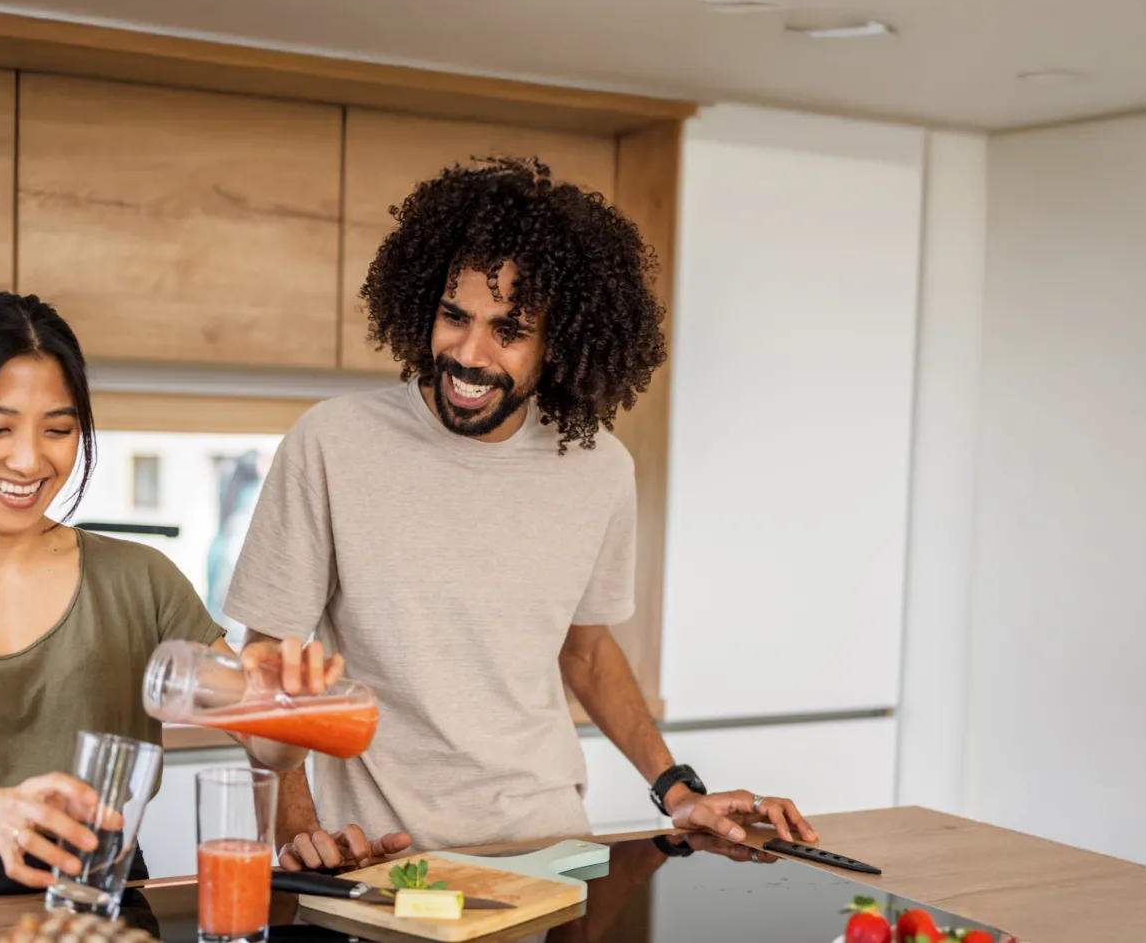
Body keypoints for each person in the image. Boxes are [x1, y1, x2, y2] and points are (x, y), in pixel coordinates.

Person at [222, 157, 823, 871]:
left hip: (546, 850)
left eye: (508, 330)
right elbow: (271, 665)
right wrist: (300, 830)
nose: (468, 354)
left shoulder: (599, 469)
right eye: (454, 316)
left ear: (558, 344)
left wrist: (677, 788)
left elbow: (587, 650)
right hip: (380, 857)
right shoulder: (332, 444)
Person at [0, 290, 340, 895]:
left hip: (102, 912)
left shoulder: (140, 581)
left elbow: (266, 744)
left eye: (58, 430)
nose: (29, 461)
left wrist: (290, 711)